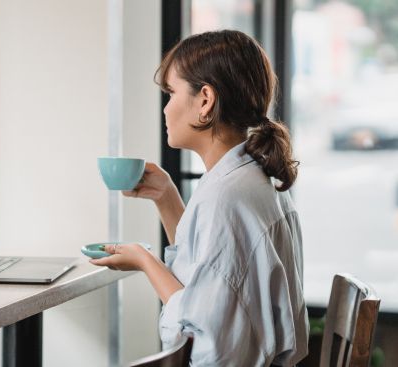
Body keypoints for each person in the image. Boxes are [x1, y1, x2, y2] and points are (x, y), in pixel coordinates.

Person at [90, 30, 308, 366]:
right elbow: (212, 274)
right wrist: (167, 198)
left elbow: (206, 337)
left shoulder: (226, 197)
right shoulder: (251, 179)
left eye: (171, 93)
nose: (165, 109)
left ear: (205, 100)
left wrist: (145, 263)